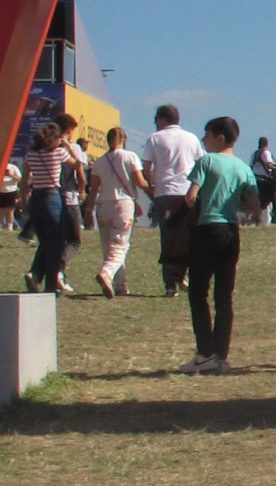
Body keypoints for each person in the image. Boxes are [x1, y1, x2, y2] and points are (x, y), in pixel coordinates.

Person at [180, 118, 258, 374]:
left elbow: (191, 196)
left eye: (208, 135)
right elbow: (254, 206)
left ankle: (204, 352)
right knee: (224, 296)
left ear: (220, 137)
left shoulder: (206, 162)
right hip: (230, 232)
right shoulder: (243, 167)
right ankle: (221, 355)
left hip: (207, 230)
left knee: (198, 292)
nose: (204, 140)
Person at [141, 104, 202, 296]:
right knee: (188, 237)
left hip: (165, 193)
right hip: (187, 192)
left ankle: (171, 284)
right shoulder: (191, 138)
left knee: (167, 238)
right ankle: (184, 275)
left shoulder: (155, 138)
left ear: (162, 119)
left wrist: (150, 186)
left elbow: (147, 168)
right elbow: (201, 163)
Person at [90, 125, 146, 297]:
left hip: (103, 205)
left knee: (108, 247)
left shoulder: (99, 161)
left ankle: (120, 285)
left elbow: (93, 189)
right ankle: (107, 273)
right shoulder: (131, 156)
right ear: (124, 140)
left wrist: (87, 208)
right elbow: (140, 181)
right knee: (120, 246)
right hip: (123, 204)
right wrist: (153, 191)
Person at [21, 120, 74, 296]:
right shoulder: (58, 153)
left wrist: (24, 201)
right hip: (52, 197)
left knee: (45, 241)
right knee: (56, 245)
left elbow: (24, 180)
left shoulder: (31, 155)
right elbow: (79, 162)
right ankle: (50, 285)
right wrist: (67, 144)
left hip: (36, 197)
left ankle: (35, 273)